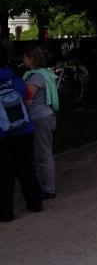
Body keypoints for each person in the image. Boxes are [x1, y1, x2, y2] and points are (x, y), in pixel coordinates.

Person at [1, 50, 43, 221]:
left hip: (2, 134)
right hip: (24, 131)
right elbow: (26, 99)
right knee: (26, 169)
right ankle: (35, 203)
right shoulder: (16, 80)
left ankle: (6, 212)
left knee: (4, 175)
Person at [21, 45, 58, 200]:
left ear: (32, 59)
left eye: (25, 57)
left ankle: (48, 188)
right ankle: (47, 186)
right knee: (44, 153)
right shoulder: (45, 74)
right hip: (47, 115)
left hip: (39, 117)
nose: (23, 60)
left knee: (43, 154)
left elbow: (28, 99)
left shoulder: (35, 77)